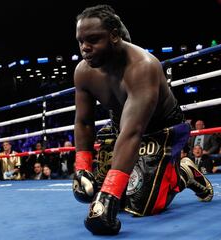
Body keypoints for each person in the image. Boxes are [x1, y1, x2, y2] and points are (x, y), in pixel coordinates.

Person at [71, 4, 213, 235]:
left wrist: (108, 197)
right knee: (97, 190)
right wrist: (82, 168)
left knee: (140, 206)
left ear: (114, 36)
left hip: (161, 128)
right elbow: (84, 122)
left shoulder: (142, 67)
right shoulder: (83, 71)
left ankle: (183, 173)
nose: (85, 48)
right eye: (80, 41)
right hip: (121, 125)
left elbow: (133, 132)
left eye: (93, 40)